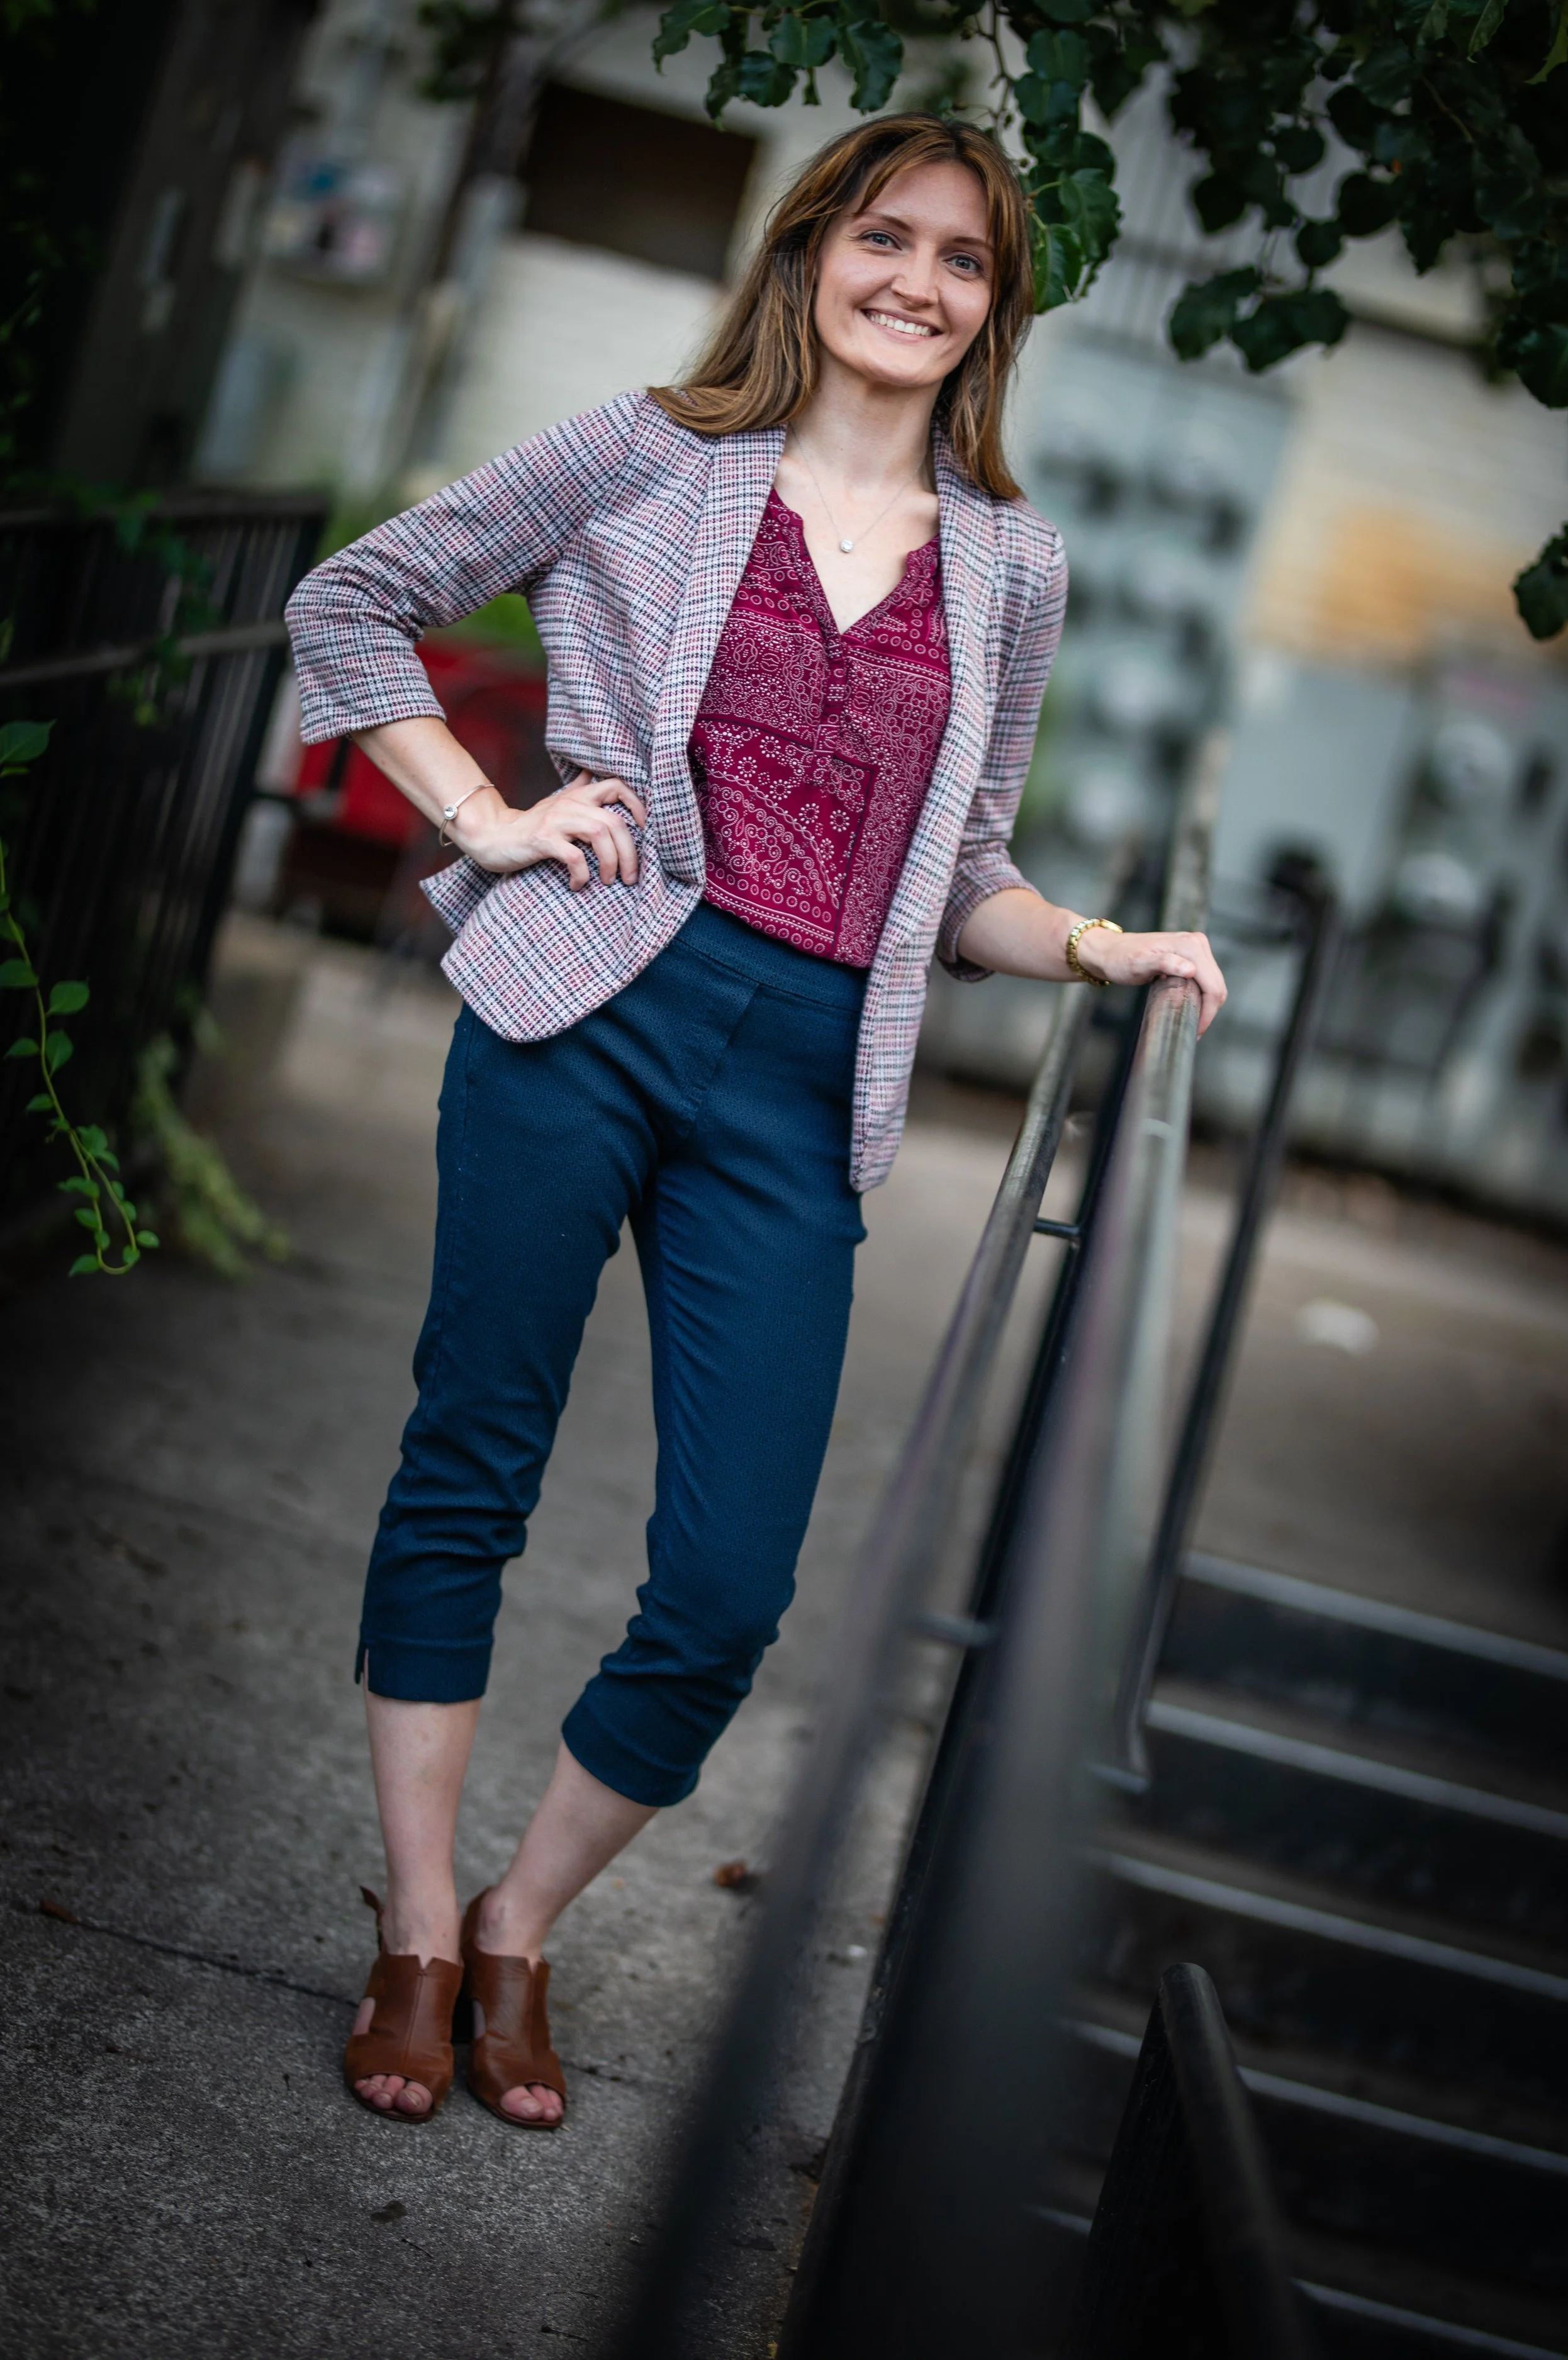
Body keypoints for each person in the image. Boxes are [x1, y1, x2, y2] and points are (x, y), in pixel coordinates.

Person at [285, 111, 1226, 2132]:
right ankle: (426, 1933)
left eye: (961, 261)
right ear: (808, 254)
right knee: (474, 1458)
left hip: (801, 1084)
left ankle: (532, 1920)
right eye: (883, 237)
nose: (916, 281)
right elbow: (353, 607)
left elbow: (957, 869)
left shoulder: (1013, 563)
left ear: (997, 311)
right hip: (588, 1002)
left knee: (727, 1579)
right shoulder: (645, 451)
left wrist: (1092, 943)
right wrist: (487, 817)